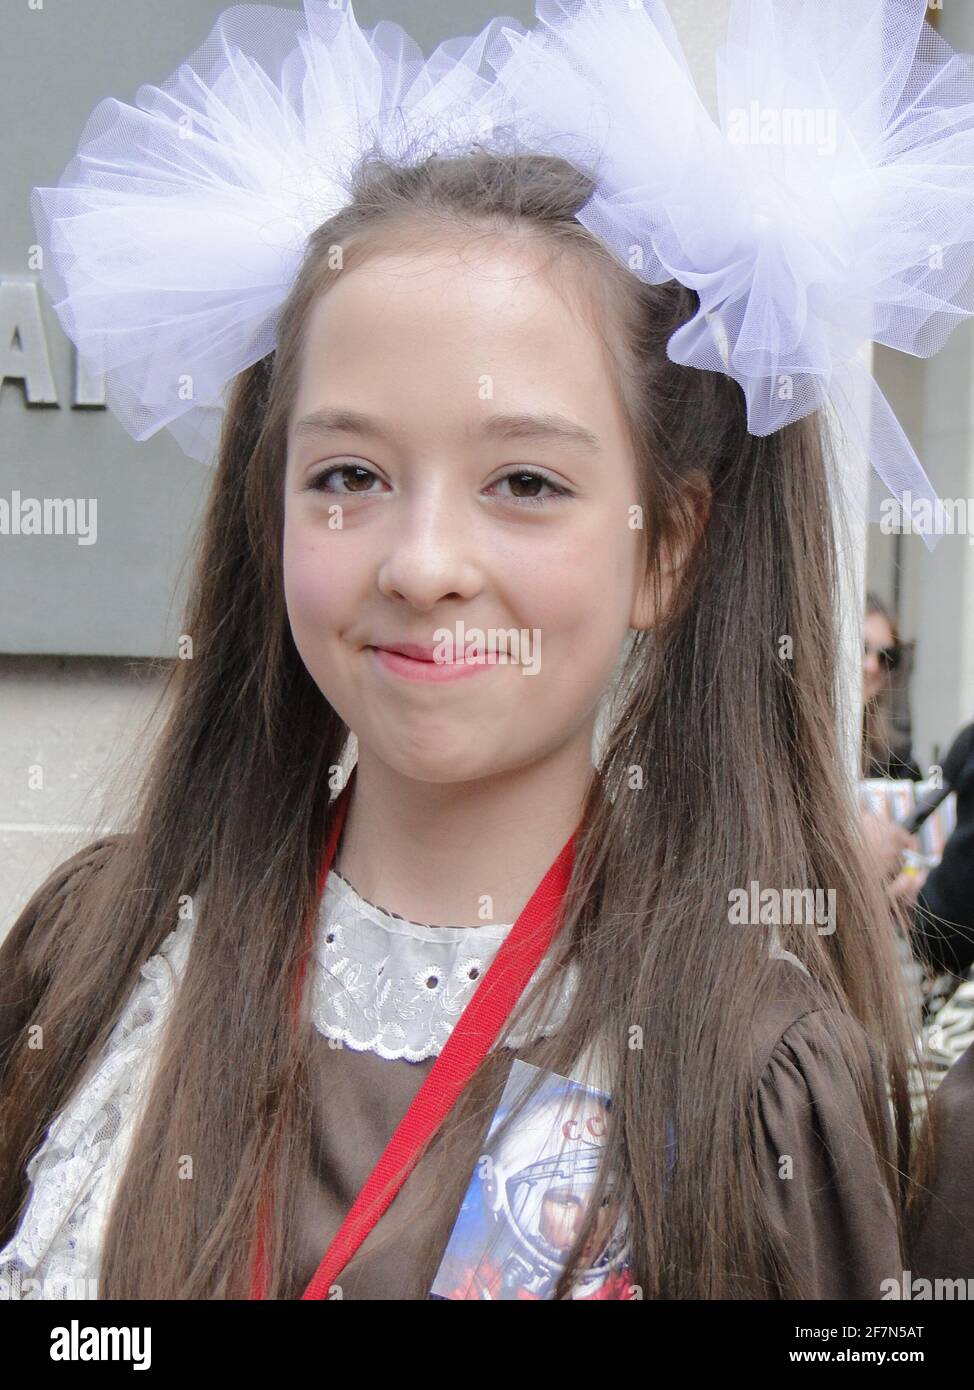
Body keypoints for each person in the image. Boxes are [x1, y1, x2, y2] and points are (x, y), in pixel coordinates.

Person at [4, 0, 972, 1301]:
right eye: (348, 472)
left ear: (666, 544)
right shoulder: (95, 958)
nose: (421, 560)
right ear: (268, 504)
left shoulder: (739, 1070)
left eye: (522, 480)